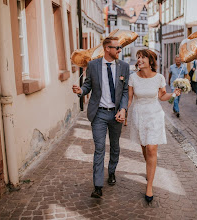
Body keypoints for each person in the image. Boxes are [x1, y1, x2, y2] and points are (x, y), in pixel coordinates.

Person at [72, 37, 129, 198]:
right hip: (99, 113)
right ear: (107, 49)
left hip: (116, 113)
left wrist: (123, 109)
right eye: (117, 48)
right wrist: (81, 91)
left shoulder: (124, 67)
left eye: (120, 47)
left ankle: (111, 172)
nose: (119, 50)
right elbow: (88, 84)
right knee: (99, 148)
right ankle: (97, 186)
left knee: (115, 146)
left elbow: (125, 91)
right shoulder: (93, 65)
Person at [128, 49, 181, 204]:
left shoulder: (159, 78)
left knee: (151, 149)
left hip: (154, 115)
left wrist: (174, 94)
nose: (139, 60)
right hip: (139, 116)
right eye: (138, 57)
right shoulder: (133, 78)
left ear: (151, 61)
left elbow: (162, 96)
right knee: (144, 147)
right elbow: (130, 99)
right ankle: (149, 169)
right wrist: (123, 111)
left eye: (142, 57)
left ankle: (149, 186)